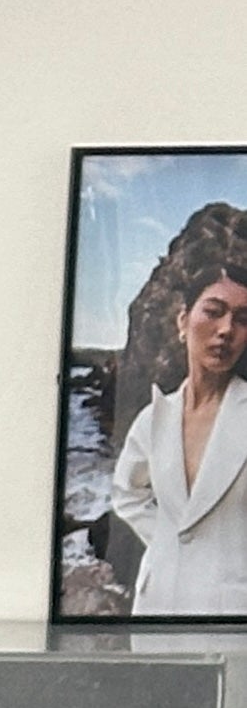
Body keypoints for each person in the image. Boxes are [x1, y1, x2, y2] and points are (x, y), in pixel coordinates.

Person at [110, 260, 247, 616]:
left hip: (232, 614)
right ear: (183, 321)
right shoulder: (156, 417)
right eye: (213, 312)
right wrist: (167, 540)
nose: (226, 329)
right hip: (157, 604)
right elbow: (127, 492)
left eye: (242, 319)